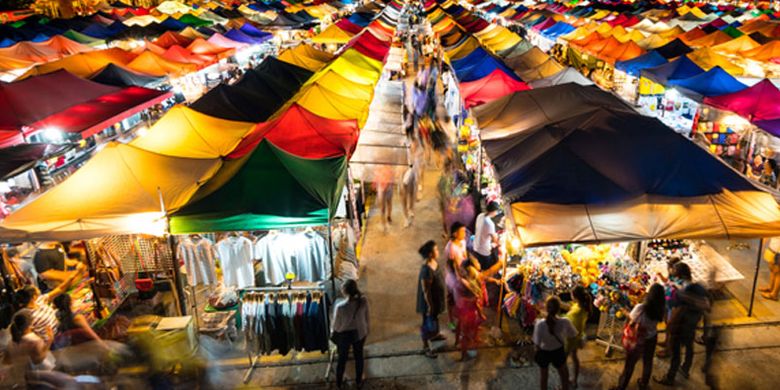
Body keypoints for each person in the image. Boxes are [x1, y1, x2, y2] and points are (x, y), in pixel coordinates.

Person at [655, 263, 710, 386]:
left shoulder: (682, 292)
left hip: (680, 326)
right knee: (689, 347)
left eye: (675, 269)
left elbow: (674, 307)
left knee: (676, 353)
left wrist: (670, 325)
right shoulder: (695, 289)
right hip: (691, 325)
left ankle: (670, 377)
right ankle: (685, 368)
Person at [613, 284, 666, 390]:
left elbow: (632, 319)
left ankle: (622, 386)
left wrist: (624, 311)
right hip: (652, 337)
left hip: (638, 339)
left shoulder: (641, 307)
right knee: (648, 362)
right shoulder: (661, 309)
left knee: (630, 364)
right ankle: (643, 383)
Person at [331, 279, 369, 389]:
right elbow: (367, 318)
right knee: (359, 357)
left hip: (344, 335)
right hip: (360, 333)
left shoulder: (340, 306)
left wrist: (333, 332)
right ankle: (358, 381)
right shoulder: (363, 301)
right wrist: (366, 331)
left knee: (342, 359)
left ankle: (338, 383)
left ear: (345, 291)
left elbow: (336, 326)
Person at [533, 296, 576, 390]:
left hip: (544, 352)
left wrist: (537, 352)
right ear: (559, 308)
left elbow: (537, 344)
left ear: (546, 308)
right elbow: (573, 336)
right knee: (564, 375)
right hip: (558, 351)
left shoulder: (540, 324)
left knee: (544, 377)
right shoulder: (565, 322)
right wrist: (568, 350)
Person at [416, 240, 447, 358]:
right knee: (427, 324)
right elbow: (426, 290)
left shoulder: (434, 262)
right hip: (429, 302)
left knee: (435, 319)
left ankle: (435, 335)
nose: (438, 251)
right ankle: (426, 347)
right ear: (430, 254)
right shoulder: (426, 270)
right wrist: (430, 306)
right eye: (436, 250)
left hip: (436, 299)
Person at [565, 286, 592, 389]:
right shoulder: (582, 306)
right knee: (574, 358)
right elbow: (570, 307)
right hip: (577, 337)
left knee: (562, 363)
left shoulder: (576, 312)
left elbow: (564, 320)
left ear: (575, 297)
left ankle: (565, 382)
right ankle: (574, 381)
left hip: (570, 340)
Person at [473, 201, 500, 270]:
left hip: (475, 246)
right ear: (494, 211)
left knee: (479, 266)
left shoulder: (480, 215)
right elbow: (495, 240)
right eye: (496, 211)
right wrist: (497, 237)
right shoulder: (490, 224)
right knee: (486, 268)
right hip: (483, 251)